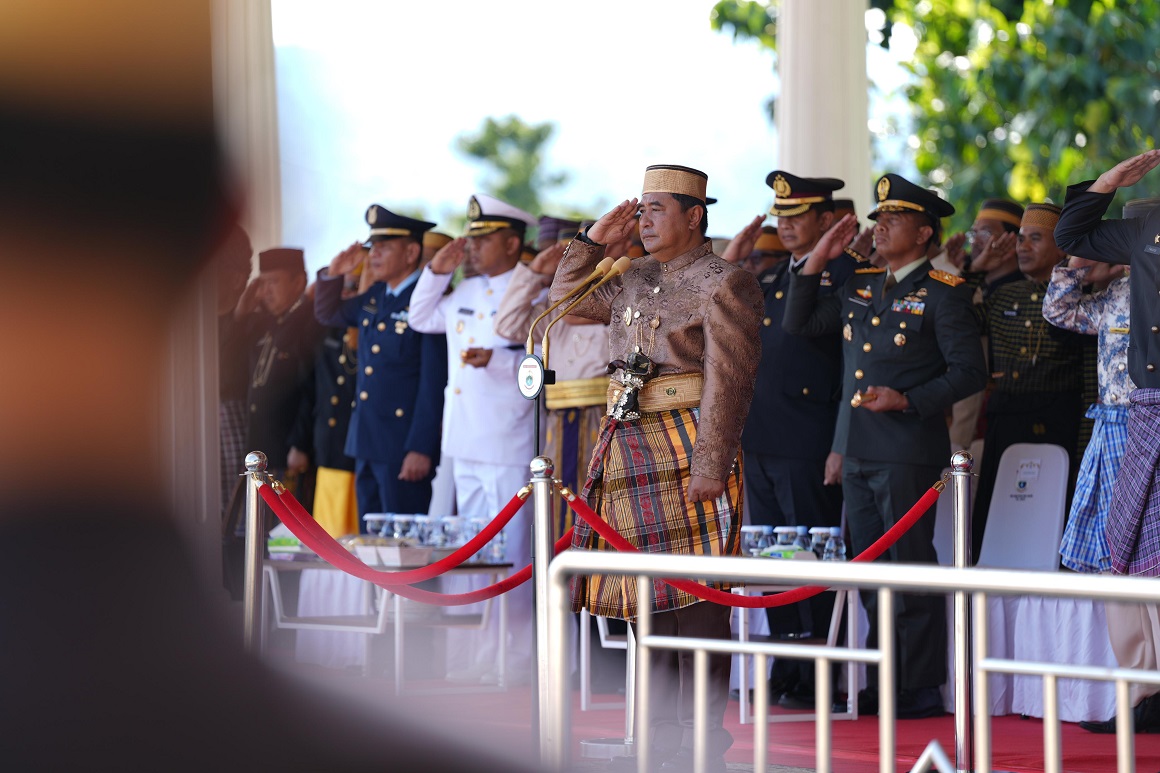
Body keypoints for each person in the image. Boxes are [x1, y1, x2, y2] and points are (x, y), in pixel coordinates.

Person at [0, 1, 540, 769]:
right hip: (428, 439)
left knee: (479, 555)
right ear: (227, 224)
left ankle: (505, 658)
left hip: (460, 440)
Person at [550, 164, 763, 771]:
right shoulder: (632, 273)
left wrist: (711, 463)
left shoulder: (727, 280)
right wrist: (593, 240)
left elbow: (731, 381)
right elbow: (562, 300)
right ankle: (657, 730)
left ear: (695, 215)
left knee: (697, 598)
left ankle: (701, 740)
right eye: (638, 210)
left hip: (689, 441)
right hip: (628, 439)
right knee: (647, 594)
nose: (642, 220)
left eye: (655, 209)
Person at [784, 173, 987, 719]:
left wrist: (910, 399)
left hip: (907, 449)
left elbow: (972, 372)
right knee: (870, 569)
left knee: (910, 567)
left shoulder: (945, 295)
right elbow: (798, 322)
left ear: (924, 233)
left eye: (892, 219)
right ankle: (884, 675)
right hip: (860, 451)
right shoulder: (862, 285)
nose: (879, 227)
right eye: (878, 219)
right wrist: (820, 256)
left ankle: (919, 685)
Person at [729, 171, 859, 709]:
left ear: (827, 221)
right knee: (774, 556)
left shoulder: (848, 274)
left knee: (815, 556)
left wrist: (841, 444)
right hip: (761, 435)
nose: (784, 225)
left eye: (796, 215)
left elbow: (854, 364)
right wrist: (732, 265)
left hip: (810, 437)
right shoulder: (777, 275)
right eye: (779, 215)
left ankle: (820, 672)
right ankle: (786, 660)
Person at [408, 193, 539, 685]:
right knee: (475, 554)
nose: (473, 248)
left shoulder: (531, 292)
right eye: (472, 239)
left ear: (511, 241)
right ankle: (478, 657)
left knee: (511, 553)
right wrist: (437, 272)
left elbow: (541, 366)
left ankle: (516, 659)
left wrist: (501, 361)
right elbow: (421, 317)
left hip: (507, 439)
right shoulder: (461, 291)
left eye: (482, 240)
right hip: (463, 439)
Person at [1054, 149, 1160, 734]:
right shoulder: (1147, 228)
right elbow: (1072, 234)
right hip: (1135, 415)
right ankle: (1141, 690)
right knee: (1118, 555)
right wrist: (1111, 182)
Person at [314, 205, 447, 524]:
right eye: (373, 248)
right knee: (371, 549)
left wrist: (420, 447)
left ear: (411, 251)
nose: (373, 256)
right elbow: (328, 314)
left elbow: (433, 382)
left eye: (384, 248)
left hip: (403, 446)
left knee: (404, 552)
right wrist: (333, 274)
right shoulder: (375, 296)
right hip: (367, 440)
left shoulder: (425, 299)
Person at [970, 203, 1089, 559]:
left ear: (1062, 247)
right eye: (1020, 239)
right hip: (1008, 419)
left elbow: (1087, 378)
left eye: (1035, 239)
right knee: (997, 516)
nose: (1023, 246)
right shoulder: (1003, 294)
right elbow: (956, 317)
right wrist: (977, 270)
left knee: (1052, 519)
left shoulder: (1081, 298)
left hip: (1059, 421)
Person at [1042, 247, 1133, 573]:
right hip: (1115, 428)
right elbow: (1057, 310)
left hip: (1152, 426)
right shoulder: (1119, 293)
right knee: (1111, 550)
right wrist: (1081, 256)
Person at [231, 248, 325, 499]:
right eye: (263, 283)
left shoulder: (309, 321)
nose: (266, 291)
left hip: (289, 450)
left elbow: (313, 388)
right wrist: (241, 314)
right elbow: (228, 360)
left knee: (284, 534)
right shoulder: (264, 322)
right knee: (257, 529)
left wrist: (300, 443)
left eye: (274, 282)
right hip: (262, 448)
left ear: (299, 281)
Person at [289, 267, 363, 537]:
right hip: (330, 447)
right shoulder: (325, 329)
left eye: (354, 287)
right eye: (342, 287)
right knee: (330, 540)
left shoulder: (375, 330)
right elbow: (310, 390)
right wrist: (300, 443)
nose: (346, 295)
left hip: (362, 450)